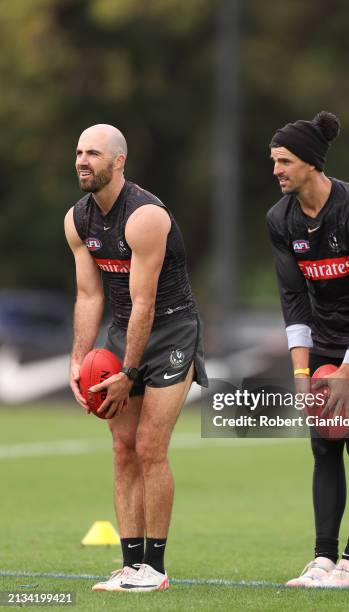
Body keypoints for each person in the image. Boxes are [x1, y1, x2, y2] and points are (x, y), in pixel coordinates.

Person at [64, 124, 207, 593]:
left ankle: (156, 569)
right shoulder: (77, 219)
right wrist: (78, 360)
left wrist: (128, 370)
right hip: (124, 330)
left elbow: (144, 302)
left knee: (149, 446)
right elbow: (89, 297)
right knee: (122, 449)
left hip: (171, 331)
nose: (84, 161)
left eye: (94, 154)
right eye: (80, 152)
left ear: (119, 161)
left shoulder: (145, 216)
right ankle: (130, 566)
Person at [266, 111, 349, 588]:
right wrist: (303, 376)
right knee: (324, 445)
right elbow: (294, 299)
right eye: (274, 161)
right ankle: (322, 560)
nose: (276, 170)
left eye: (284, 161)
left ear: (312, 164)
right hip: (322, 335)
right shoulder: (279, 220)